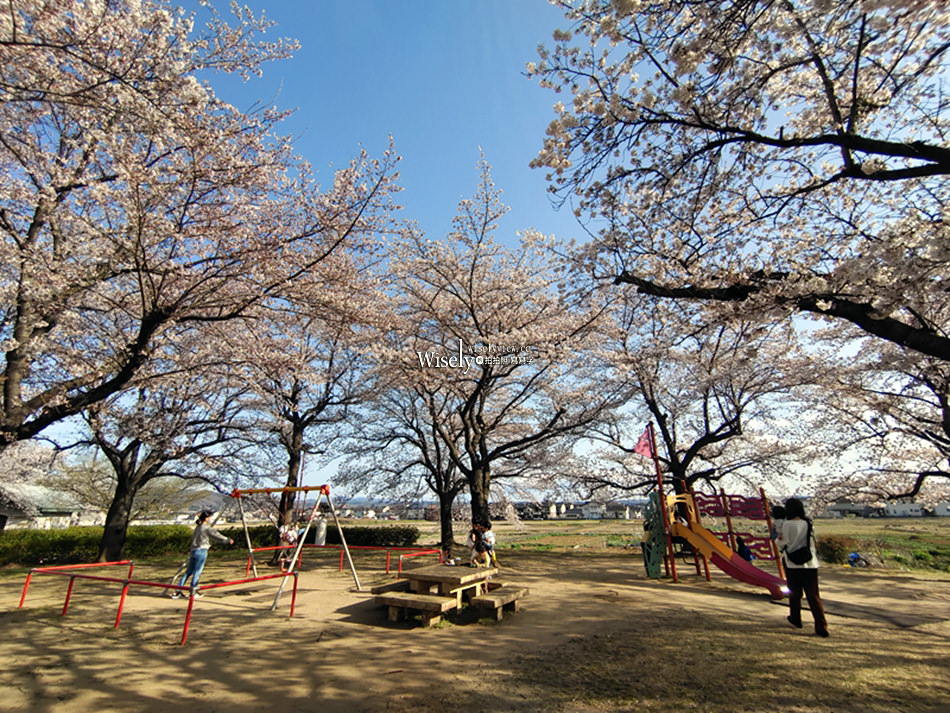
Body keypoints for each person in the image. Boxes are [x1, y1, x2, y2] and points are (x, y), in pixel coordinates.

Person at [781, 497, 829, 637]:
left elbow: (784, 542)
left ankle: (796, 618)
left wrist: (777, 540)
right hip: (810, 563)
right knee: (813, 596)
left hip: (793, 563)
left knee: (795, 593)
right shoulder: (808, 523)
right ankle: (821, 626)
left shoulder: (787, 524)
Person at [174, 510, 233, 599]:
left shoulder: (198, 527)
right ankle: (193, 591)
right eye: (209, 517)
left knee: (188, 572)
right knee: (197, 571)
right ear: (206, 518)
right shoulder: (206, 528)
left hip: (193, 551)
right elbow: (216, 535)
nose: (210, 519)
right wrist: (228, 540)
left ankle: (178, 590)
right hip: (201, 551)